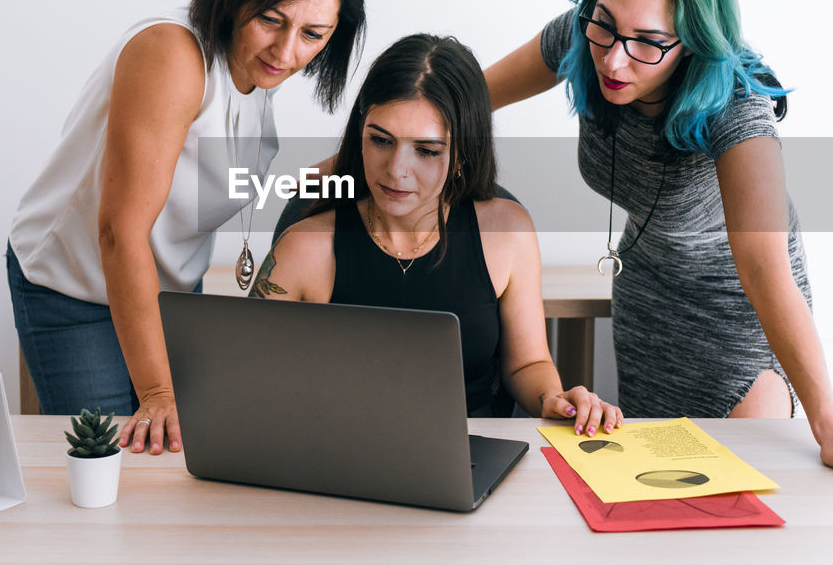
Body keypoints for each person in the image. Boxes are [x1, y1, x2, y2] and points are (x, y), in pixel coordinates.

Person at [484, 0, 833, 488]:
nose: (614, 60)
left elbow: (763, 268)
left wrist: (831, 428)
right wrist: (335, 173)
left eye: (648, 43)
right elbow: (464, 99)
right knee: (647, 491)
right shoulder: (585, 38)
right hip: (648, 289)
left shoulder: (738, 107)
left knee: (736, 508)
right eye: (604, 27)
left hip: (739, 313)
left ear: (693, 44)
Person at [7, 0, 366, 455]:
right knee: (114, 464)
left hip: (168, 291)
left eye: (312, 34)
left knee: (176, 466)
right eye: (271, 19)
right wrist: (157, 391)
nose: (287, 52)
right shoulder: (174, 54)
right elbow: (120, 232)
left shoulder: (257, 74)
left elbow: (218, 183)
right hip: (73, 285)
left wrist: (362, 168)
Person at [250, 34, 622, 434]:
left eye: (426, 150)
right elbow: (247, 375)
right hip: (339, 447)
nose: (396, 170)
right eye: (380, 140)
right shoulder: (304, 247)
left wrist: (552, 398)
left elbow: (527, 363)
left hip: (473, 446)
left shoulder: (507, 232)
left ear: (462, 152)